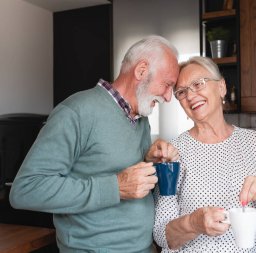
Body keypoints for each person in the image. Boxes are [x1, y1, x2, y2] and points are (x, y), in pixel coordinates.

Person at [10, 35, 180, 253]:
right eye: (167, 85)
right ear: (141, 71)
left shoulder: (141, 119)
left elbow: (117, 170)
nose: (168, 97)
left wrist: (149, 160)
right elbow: (26, 190)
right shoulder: (76, 112)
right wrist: (115, 187)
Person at [153, 56, 256, 252]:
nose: (191, 95)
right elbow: (162, 234)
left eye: (198, 84)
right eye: (182, 92)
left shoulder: (253, 142)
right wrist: (194, 223)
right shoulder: (174, 153)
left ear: (221, 87)